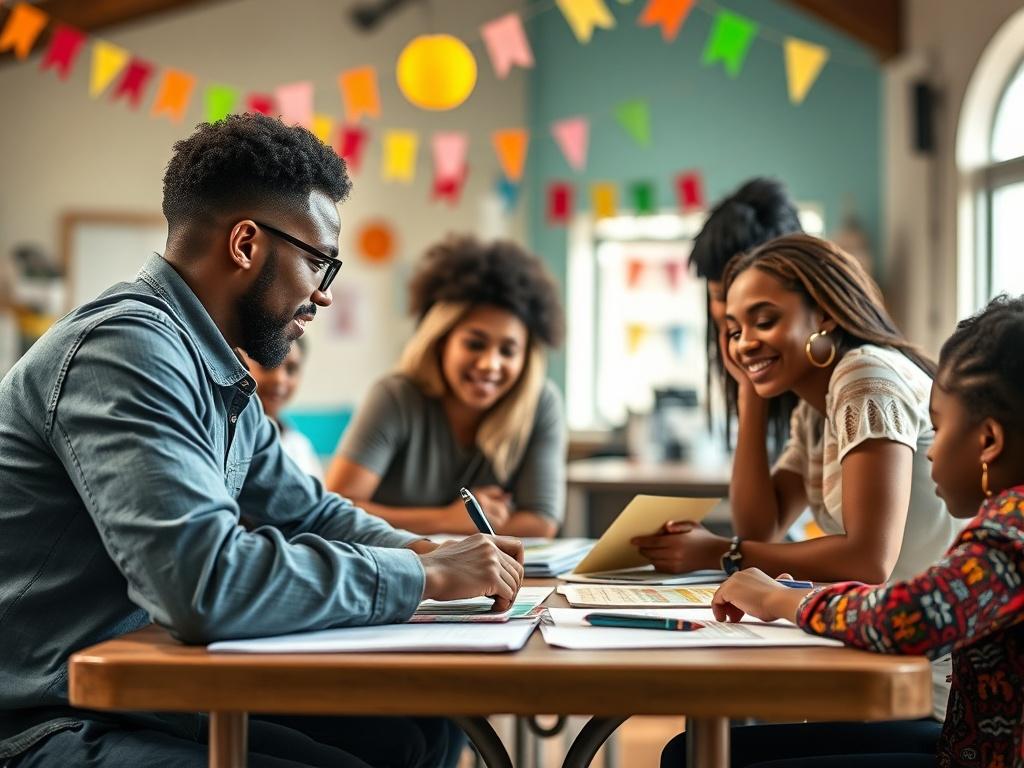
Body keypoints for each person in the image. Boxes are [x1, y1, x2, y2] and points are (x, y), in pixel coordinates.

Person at [0, 114, 524, 768]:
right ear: (246, 244)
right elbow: (204, 585)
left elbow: (310, 511)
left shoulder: (213, 366)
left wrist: (423, 549)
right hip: (49, 716)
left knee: (419, 731)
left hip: (152, 685)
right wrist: (424, 574)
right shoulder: (126, 352)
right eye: (318, 263)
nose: (323, 297)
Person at [665, 294, 1024, 768]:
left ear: (988, 441)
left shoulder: (1006, 538)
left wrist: (781, 600)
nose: (930, 452)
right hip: (961, 745)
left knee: (701, 759)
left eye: (938, 427)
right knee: (690, 754)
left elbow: (911, 616)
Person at [633, 234, 962, 717]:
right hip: (882, 654)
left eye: (764, 321)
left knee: (704, 750)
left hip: (929, 685)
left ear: (825, 314)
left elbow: (869, 559)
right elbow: (760, 524)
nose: (745, 342)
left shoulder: (864, 376)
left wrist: (721, 553)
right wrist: (749, 394)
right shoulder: (815, 404)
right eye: (733, 329)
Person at [325, 235, 566, 538]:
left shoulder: (541, 403)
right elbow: (335, 510)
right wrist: (446, 519)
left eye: (508, 350)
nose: (491, 364)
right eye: (475, 344)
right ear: (441, 342)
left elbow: (541, 523)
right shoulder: (395, 397)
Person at [689, 177, 803, 452]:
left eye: (762, 318)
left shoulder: (850, 389)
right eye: (720, 297)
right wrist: (750, 386)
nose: (740, 327)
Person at [243, 337, 323, 480]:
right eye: (267, 364)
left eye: (291, 369)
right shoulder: (230, 438)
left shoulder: (299, 446)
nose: (279, 379)